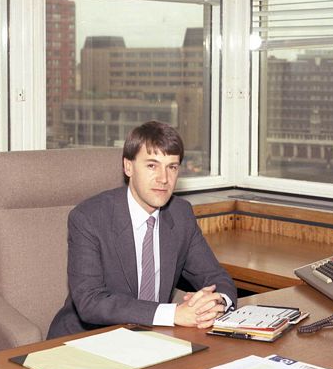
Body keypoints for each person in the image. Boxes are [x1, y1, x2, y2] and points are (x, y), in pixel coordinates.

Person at [47, 121, 236, 338]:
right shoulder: (89, 217)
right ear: (128, 167)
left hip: (152, 338)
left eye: (172, 167)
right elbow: (91, 302)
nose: (164, 179)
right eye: (152, 165)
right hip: (86, 340)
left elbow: (216, 277)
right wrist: (173, 314)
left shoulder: (180, 214)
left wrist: (217, 302)